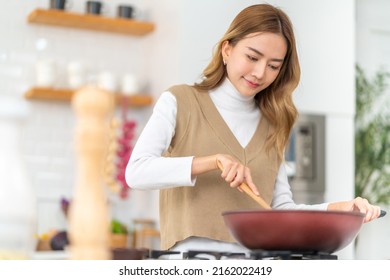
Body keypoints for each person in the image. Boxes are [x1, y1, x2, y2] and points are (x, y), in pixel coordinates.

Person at [125, 3, 382, 254]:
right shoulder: (180, 101)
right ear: (227, 49)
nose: (260, 73)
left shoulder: (275, 123)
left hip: (254, 266)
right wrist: (213, 161)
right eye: (252, 57)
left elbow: (279, 209)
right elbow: (136, 172)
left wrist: (339, 208)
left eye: (273, 66)